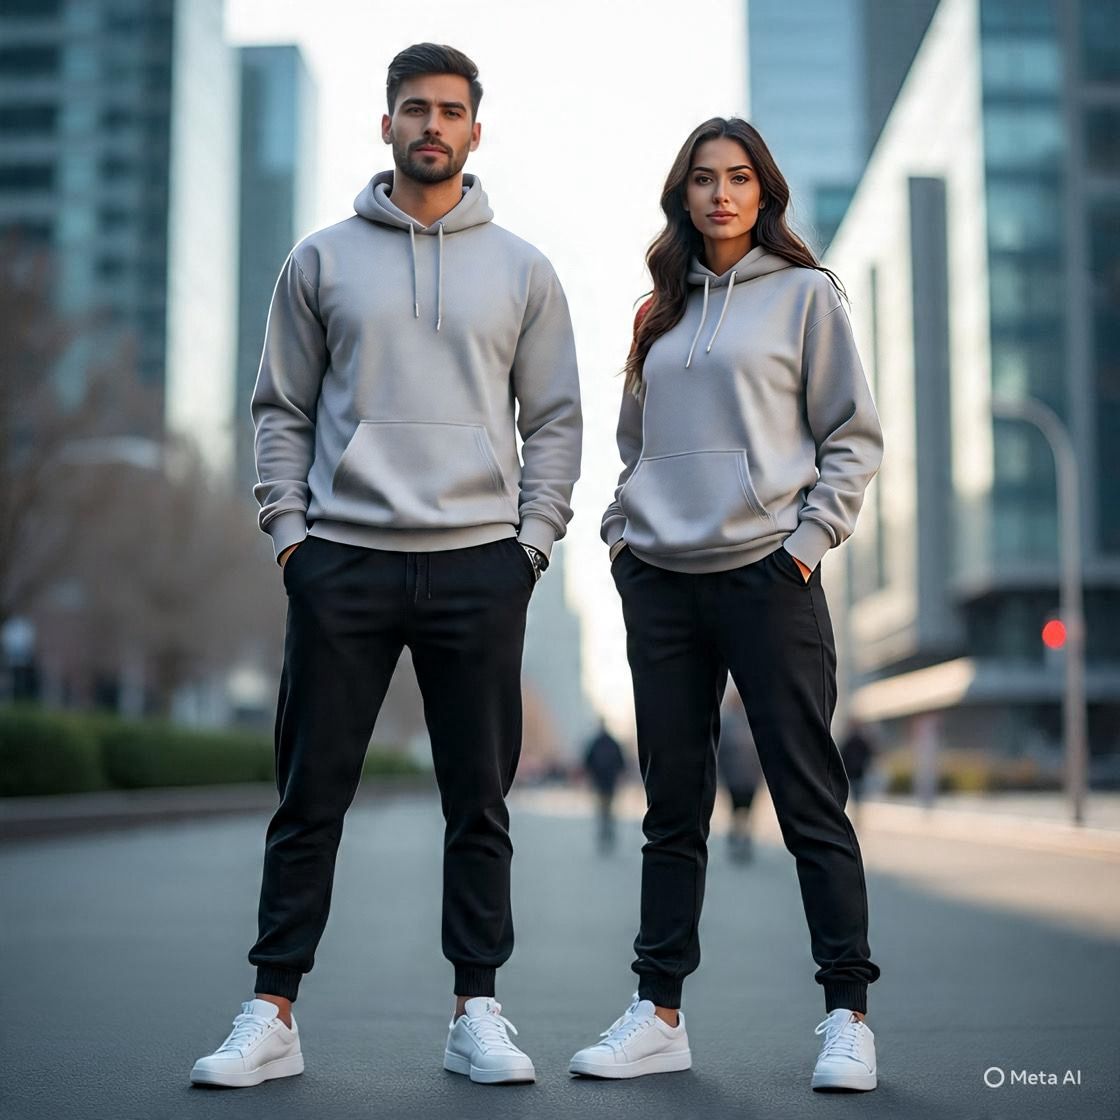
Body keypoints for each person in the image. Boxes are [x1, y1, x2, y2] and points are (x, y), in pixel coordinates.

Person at [190, 43, 582, 1089]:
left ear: (475, 130)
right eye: (415, 108)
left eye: (451, 111)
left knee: (478, 804)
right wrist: (291, 540)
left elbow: (553, 421)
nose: (432, 126)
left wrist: (530, 543)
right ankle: (271, 1011)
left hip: (477, 565)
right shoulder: (320, 259)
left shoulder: (524, 269)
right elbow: (280, 408)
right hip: (345, 560)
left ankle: (478, 1011)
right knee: (309, 793)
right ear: (387, 124)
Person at [569, 117, 883, 1091]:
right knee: (671, 808)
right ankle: (657, 1012)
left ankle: (847, 1017)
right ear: (683, 196)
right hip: (661, 582)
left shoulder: (805, 297)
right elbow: (636, 443)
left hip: (766, 578)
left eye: (738, 178)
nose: (720, 195)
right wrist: (624, 536)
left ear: (764, 192)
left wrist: (803, 547)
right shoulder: (654, 314)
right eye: (703, 179)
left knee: (807, 800)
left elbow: (853, 437)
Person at [717, 686, 762, 864]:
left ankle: (746, 844)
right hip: (733, 778)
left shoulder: (753, 719)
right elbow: (720, 752)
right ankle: (736, 843)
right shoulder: (727, 721)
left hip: (750, 778)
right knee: (736, 812)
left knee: (749, 813)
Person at [583, 721, 627, 853]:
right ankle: (609, 832)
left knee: (602, 809)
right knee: (609, 809)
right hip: (610, 782)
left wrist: (591, 775)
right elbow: (622, 762)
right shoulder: (613, 742)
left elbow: (587, 761)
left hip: (599, 782)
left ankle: (604, 833)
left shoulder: (595, 742)